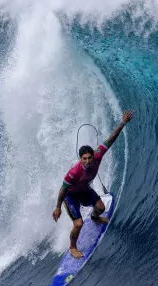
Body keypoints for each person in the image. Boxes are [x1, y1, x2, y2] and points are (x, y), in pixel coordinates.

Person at [52, 110, 134, 258]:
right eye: (84, 158)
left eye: (89, 157)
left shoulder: (98, 155)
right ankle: (72, 248)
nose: (88, 161)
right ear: (80, 158)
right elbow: (63, 189)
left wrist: (123, 122)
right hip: (70, 196)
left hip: (84, 190)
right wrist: (58, 207)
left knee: (101, 208)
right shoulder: (73, 172)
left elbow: (112, 138)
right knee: (78, 224)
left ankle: (95, 217)